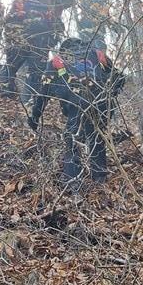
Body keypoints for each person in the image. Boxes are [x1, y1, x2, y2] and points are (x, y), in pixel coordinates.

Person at [2, 0, 76, 129]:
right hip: (26, 35)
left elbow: (69, 1)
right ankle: (14, 99)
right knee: (19, 67)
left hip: (38, 35)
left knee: (28, 69)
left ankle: (24, 101)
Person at [47, 35, 123, 189]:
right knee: (96, 136)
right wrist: (109, 94)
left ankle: (73, 182)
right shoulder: (97, 53)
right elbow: (119, 78)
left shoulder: (57, 60)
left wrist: (34, 116)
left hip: (76, 105)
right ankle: (99, 178)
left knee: (71, 139)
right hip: (101, 104)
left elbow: (43, 89)